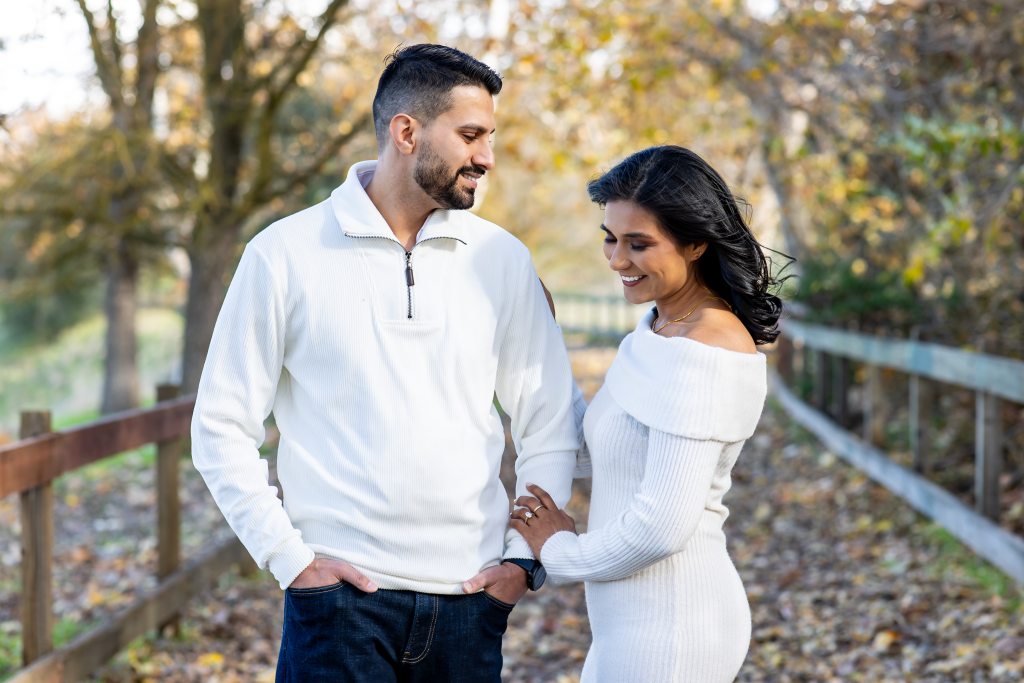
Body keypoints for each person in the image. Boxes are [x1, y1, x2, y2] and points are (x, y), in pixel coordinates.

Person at [191, 44, 583, 682]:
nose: (486, 156)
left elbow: (547, 417)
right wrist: (290, 560)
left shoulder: (503, 259)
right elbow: (220, 426)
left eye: (489, 136)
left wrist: (520, 563)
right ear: (407, 132)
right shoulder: (282, 254)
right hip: (338, 607)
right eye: (470, 135)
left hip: (470, 604)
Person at [510, 146, 783, 683]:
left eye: (639, 244)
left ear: (697, 242)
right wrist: (542, 336)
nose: (616, 260)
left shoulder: (708, 348)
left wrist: (559, 552)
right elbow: (597, 448)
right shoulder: (659, 328)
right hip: (632, 623)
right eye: (611, 239)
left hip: (675, 625)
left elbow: (662, 525)